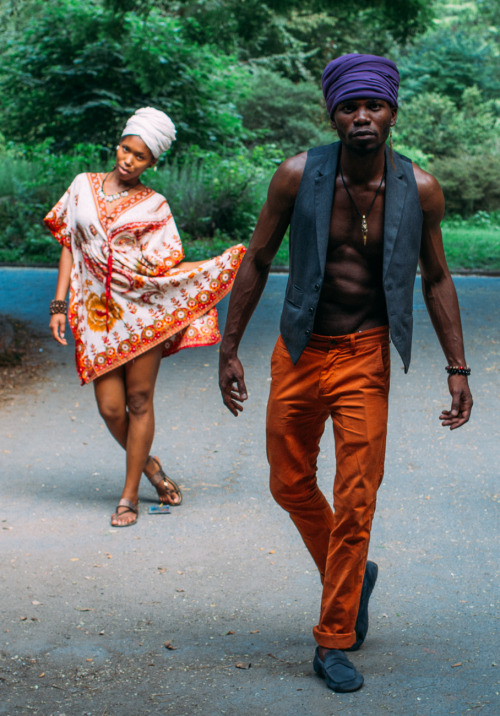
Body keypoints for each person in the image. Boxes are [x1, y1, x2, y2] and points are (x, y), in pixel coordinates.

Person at [218, 54, 472, 692]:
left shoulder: (420, 189)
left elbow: (437, 277)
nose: (362, 117)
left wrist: (457, 366)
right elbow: (256, 260)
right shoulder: (296, 177)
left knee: (357, 498)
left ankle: (333, 638)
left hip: (365, 354)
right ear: (332, 113)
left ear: (392, 112)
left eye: (374, 106)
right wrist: (228, 348)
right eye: (350, 106)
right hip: (300, 350)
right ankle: (356, 577)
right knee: (289, 483)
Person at [45, 107, 245, 528]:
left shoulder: (155, 205)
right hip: (96, 316)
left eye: (139, 156)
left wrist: (204, 271)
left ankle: (129, 495)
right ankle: (152, 468)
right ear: (118, 143)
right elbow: (69, 243)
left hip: (140, 312)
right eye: (125, 148)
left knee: (138, 401)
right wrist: (60, 303)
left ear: (153, 162)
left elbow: (164, 264)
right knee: (110, 408)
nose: (128, 159)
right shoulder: (82, 186)